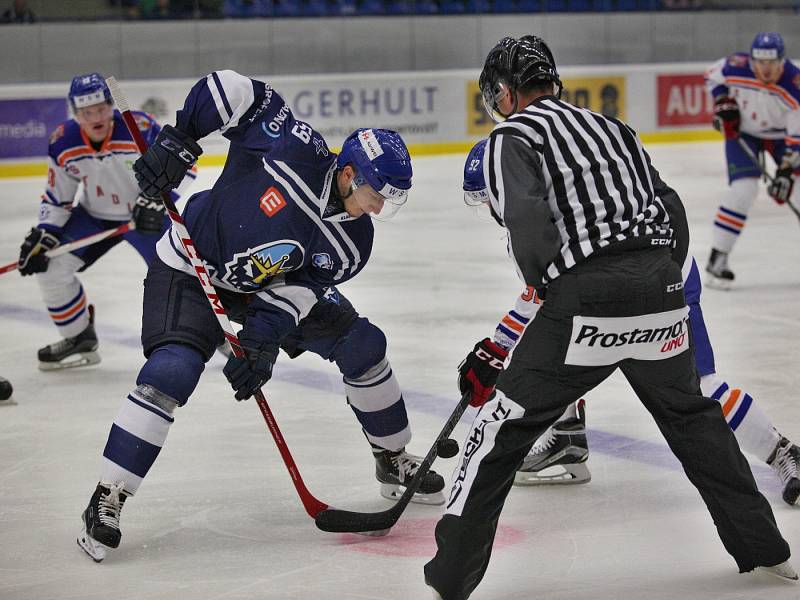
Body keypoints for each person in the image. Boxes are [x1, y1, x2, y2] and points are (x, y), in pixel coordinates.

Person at [424, 36, 795, 600]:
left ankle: (451, 577)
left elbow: (530, 226)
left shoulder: (511, 136)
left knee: (501, 426)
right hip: (661, 292)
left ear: (504, 92)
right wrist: (662, 280)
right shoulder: (613, 128)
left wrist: (558, 294)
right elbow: (668, 207)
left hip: (583, 302)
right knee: (694, 419)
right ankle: (765, 550)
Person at [76, 70, 446, 562]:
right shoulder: (293, 148)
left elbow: (298, 291)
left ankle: (392, 456)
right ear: (350, 173)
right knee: (171, 371)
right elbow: (231, 88)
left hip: (260, 291)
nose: (378, 208)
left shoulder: (353, 242)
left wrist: (261, 341)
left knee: (363, 344)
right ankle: (109, 494)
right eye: (376, 194)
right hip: (192, 266)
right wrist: (183, 137)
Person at [462, 138, 800, 506]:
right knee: (560, 348)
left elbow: (541, 296)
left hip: (661, 278)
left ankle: (781, 450)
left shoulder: (548, 214)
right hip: (627, 276)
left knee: (697, 385)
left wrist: (498, 348)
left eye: (489, 197)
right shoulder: (546, 198)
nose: (493, 209)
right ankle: (567, 435)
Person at [17, 73, 191, 371]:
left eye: (100, 108)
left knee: (180, 274)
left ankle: (212, 334)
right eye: (86, 112)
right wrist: (46, 234)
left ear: (111, 106)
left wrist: (154, 201)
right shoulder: (63, 141)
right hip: (94, 217)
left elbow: (184, 163)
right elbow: (58, 197)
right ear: (75, 114)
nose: (95, 117)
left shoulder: (141, 128)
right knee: (51, 268)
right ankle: (78, 337)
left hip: (145, 218)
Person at [704, 32, 800, 289]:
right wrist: (722, 101)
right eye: (760, 63)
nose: (766, 70)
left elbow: (797, 137)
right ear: (752, 60)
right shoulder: (736, 65)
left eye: (772, 64)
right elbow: (712, 76)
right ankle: (718, 257)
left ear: (782, 62)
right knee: (743, 189)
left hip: (781, 139)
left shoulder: (794, 84)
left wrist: (785, 172)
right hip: (743, 133)